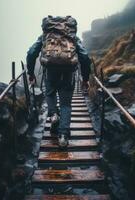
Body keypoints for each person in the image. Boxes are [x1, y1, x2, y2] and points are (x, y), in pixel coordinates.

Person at [26, 16, 91, 148]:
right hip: (68, 72)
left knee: (49, 93)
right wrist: (85, 79)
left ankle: (54, 114)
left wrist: (31, 73)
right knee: (66, 104)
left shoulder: (45, 36)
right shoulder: (72, 37)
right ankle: (63, 137)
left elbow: (31, 53)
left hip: (51, 71)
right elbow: (84, 56)